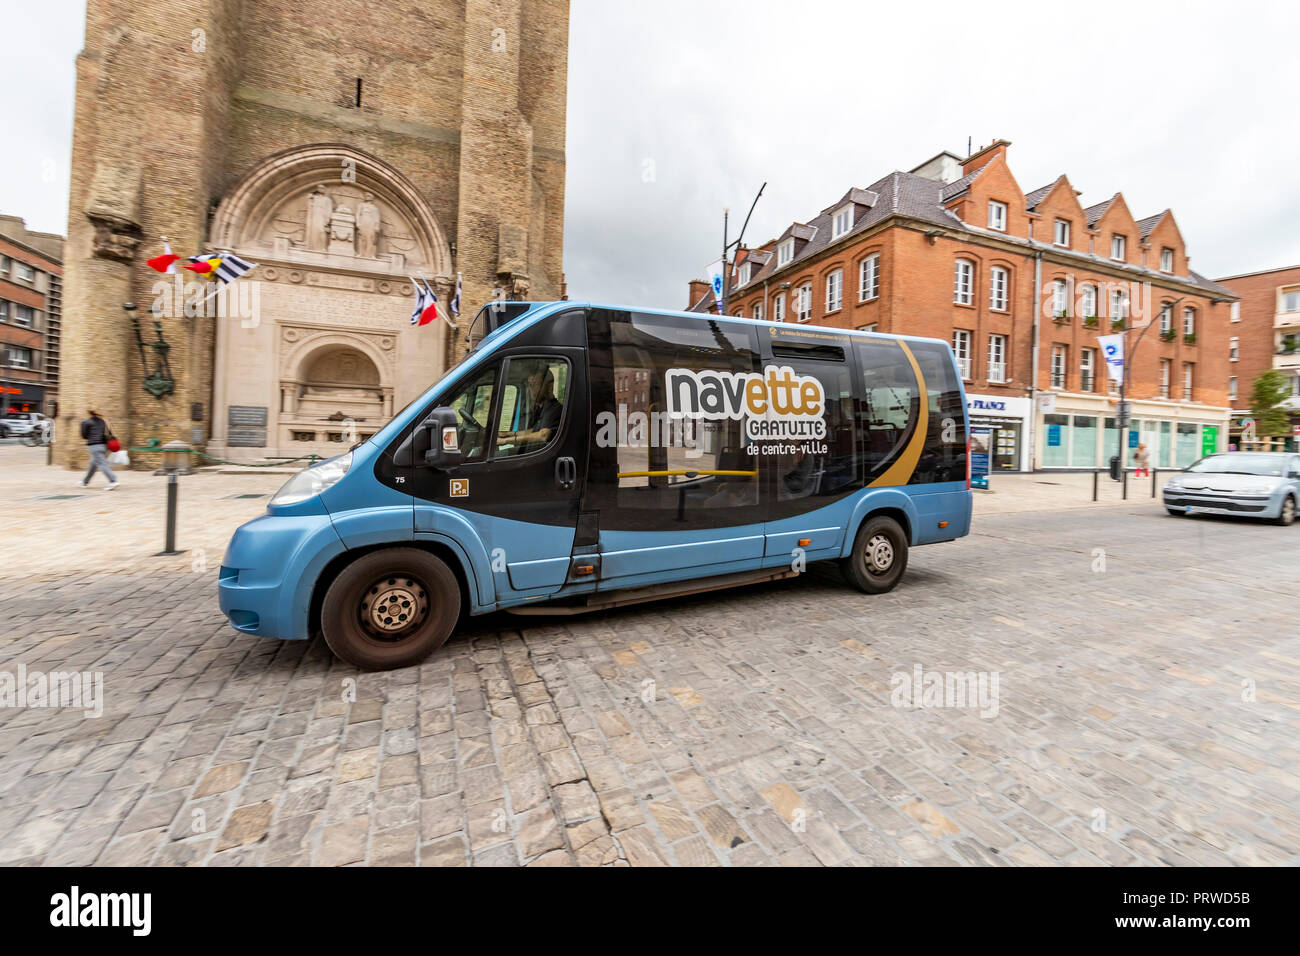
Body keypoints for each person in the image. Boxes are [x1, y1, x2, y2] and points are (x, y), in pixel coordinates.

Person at [498, 366, 562, 453]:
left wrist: (505, 441)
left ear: (548, 386)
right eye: (530, 385)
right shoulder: (541, 408)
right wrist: (507, 434)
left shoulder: (554, 408)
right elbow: (534, 431)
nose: (531, 389)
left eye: (535, 384)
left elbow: (543, 435)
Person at [78, 408, 118, 490]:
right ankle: (85, 482)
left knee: (102, 464)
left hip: (94, 446)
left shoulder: (85, 422)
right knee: (93, 464)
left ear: (88, 414)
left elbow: (84, 436)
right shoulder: (103, 421)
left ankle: (113, 481)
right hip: (104, 446)